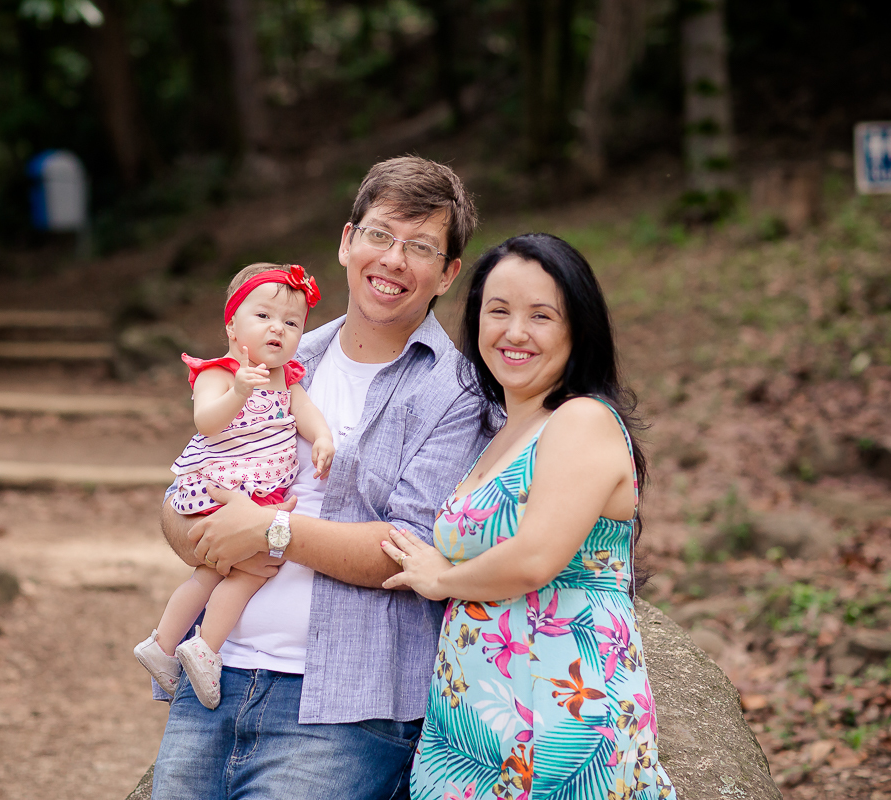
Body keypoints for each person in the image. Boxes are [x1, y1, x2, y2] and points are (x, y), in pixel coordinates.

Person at [150, 156, 489, 800]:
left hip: (342, 707)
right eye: (380, 234)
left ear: (448, 274)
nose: (393, 259)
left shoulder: (457, 392)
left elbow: (414, 551)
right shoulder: (281, 350)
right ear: (347, 242)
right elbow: (189, 487)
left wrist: (269, 529)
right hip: (212, 672)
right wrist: (191, 526)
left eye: (420, 247)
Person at [380, 233, 676, 800]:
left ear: (577, 329)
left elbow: (536, 557)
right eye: (499, 311)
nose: (515, 332)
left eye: (541, 315)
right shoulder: (504, 431)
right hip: (476, 715)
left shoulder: (581, 420)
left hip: (559, 709)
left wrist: (441, 579)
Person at [134, 262, 334, 710]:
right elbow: (206, 421)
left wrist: (321, 437)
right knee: (251, 569)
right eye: (263, 316)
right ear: (231, 325)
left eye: (291, 323)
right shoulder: (219, 372)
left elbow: (305, 412)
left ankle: (163, 645)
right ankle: (204, 647)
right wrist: (238, 391)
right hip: (221, 488)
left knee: (211, 573)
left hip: (257, 493)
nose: (277, 328)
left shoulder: (287, 376)